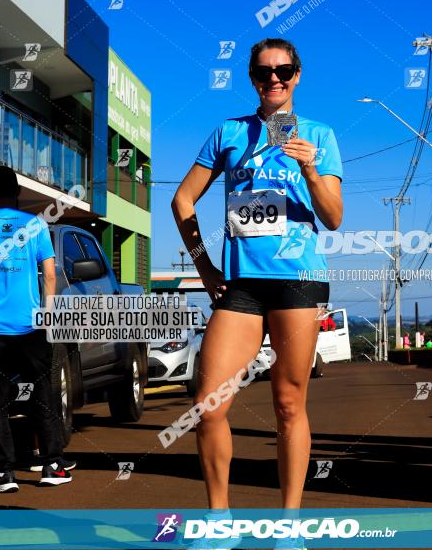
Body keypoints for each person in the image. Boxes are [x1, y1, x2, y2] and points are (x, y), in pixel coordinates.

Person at [172, 38, 343, 512]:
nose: (274, 79)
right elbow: (182, 200)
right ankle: (219, 518)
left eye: (283, 71)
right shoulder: (229, 133)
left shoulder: (320, 136)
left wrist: (309, 170)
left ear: (297, 75)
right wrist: (205, 267)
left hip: (298, 281)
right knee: (208, 403)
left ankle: (289, 522)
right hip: (241, 284)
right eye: (264, 72)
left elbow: (333, 217)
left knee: (288, 403)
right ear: (252, 78)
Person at [0, 165, 73, 491]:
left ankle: (3, 473)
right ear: (18, 193)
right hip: (30, 325)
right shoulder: (35, 225)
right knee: (42, 394)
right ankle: (52, 465)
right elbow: (49, 275)